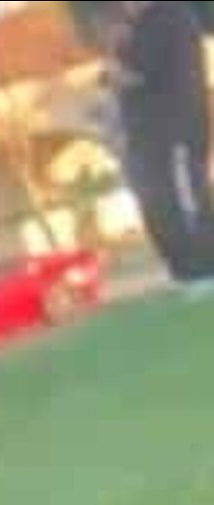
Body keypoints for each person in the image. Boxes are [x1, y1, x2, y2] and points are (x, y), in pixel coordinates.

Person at [73, 1, 214, 290]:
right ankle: (185, 272)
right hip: (148, 138)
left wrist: (114, 67)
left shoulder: (167, 18)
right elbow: (117, 78)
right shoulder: (136, 29)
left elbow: (134, 72)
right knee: (157, 205)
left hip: (177, 130)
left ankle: (203, 268)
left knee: (183, 200)